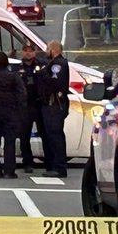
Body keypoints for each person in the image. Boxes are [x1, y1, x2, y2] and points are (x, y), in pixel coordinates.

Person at [36, 39, 70, 176]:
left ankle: (59, 167)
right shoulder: (53, 63)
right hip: (50, 104)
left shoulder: (58, 64)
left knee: (55, 136)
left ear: (54, 50)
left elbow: (54, 83)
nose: (45, 52)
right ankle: (53, 165)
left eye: (47, 49)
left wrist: (42, 73)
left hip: (54, 104)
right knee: (50, 135)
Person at [12, 44, 47, 174]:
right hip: (24, 106)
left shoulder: (41, 66)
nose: (28, 53)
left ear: (35, 52)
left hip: (38, 104)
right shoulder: (17, 68)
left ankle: (48, 160)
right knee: (24, 135)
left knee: (44, 133)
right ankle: (27, 162)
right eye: (25, 51)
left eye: (31, 51)